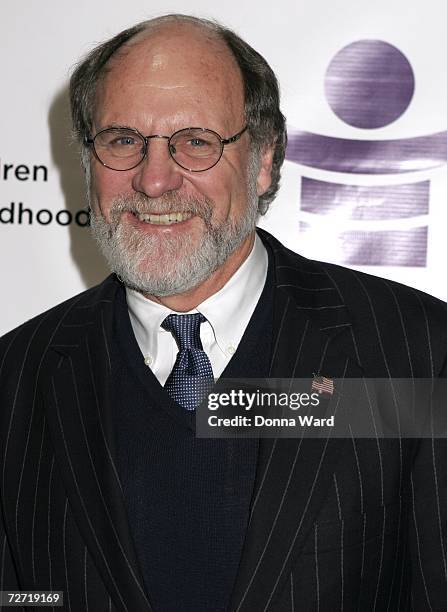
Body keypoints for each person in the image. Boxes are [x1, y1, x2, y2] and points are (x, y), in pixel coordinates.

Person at [1, 13, 447, 612]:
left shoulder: (413, 355)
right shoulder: (17, 375)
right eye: (123, 140)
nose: (154, 180)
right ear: (87, 162)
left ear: (263, 160)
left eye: (196, 142)